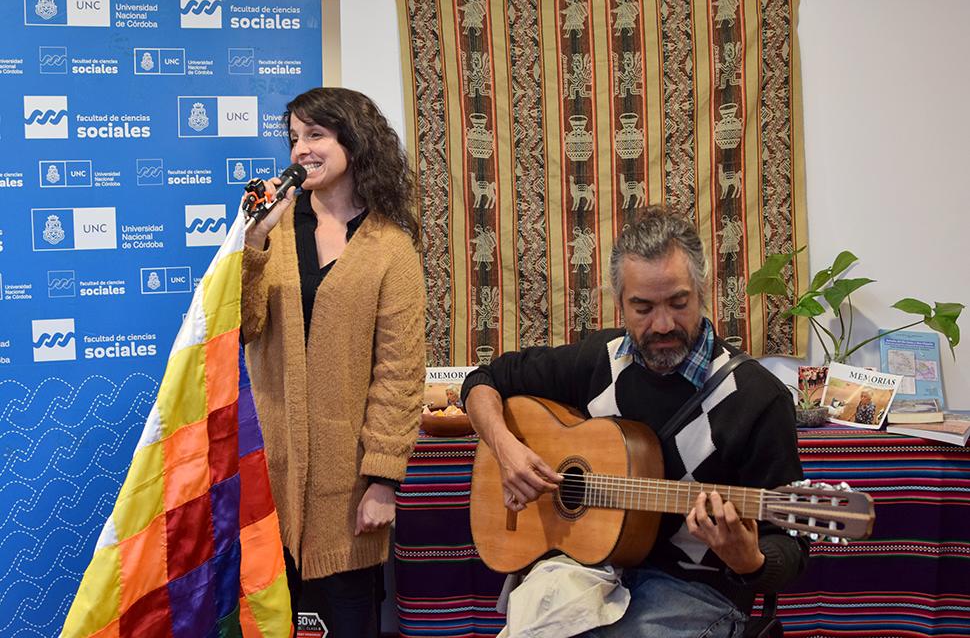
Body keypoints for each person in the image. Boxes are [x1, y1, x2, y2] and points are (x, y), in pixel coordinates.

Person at [461, 208, 809, 638]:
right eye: (642, 307)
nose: (662, 324)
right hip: (585, 571)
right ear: (619, 301)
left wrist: (749, 559)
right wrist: (506, 449)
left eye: (679, 303)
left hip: (694, 591)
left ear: (703, 290)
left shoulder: (757, 398)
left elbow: (790, 545)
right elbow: (483, 380)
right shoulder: (599, 360)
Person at [241, 87, 426, 637]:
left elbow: (399, 374)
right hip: (266, 479)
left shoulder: (391, 250)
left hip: (346, 493)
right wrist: (252, 244)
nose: (301, 149)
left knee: (343, 621)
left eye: (315, 135)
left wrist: (383, 482)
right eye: (295, 138)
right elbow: (242, 328)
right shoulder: (272, 227)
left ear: (355, 141)